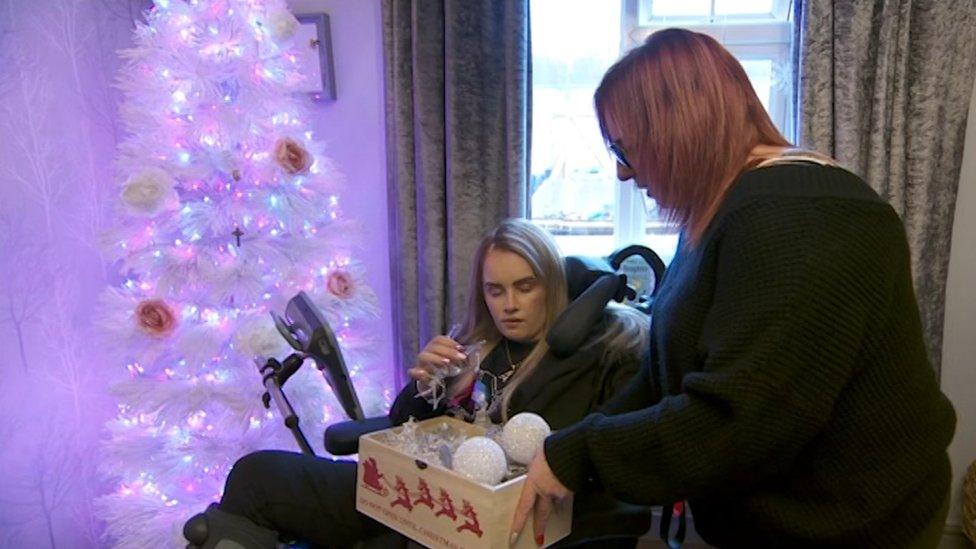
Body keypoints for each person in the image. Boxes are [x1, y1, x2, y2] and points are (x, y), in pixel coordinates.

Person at [512, 28, 957, 548]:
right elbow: (662, 379)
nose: (621, 172)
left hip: (857, 524)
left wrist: (584, 453)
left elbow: (738, 422)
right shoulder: (718, 215)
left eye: (625, 149)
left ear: (675, 131)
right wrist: (570, 447)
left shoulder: (801, 218)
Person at [207, 219, 651, 548]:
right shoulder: (472, 343)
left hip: (480, 524)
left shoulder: (604, 351)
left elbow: (615, 459)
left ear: (551, 283)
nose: (509, 305)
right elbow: (404, 426)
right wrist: (424, 386)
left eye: (525, 287)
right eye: (495, 291)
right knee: (257, 475)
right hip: (407, 495)